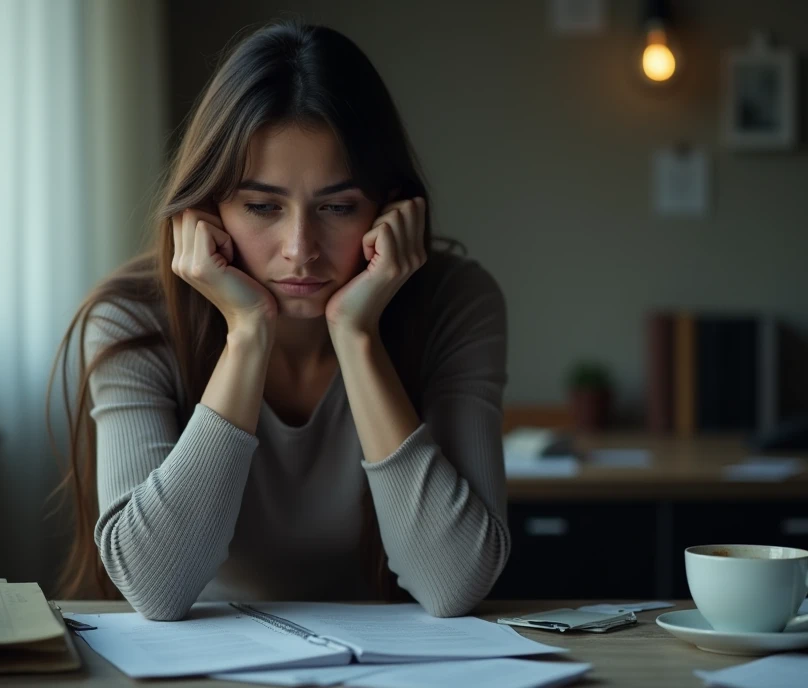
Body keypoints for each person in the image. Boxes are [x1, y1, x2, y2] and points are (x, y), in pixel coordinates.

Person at [49, 20, 509, 621]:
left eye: (337, 207)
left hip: (397, 663)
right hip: (207, 662)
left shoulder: (456, 301)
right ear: (207, 210)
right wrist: (247, 333)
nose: (300, 248)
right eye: (263, 206)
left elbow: (453, 581)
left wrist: (357, 334)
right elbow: (155, 587)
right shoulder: (133, 318)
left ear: (391, 210)